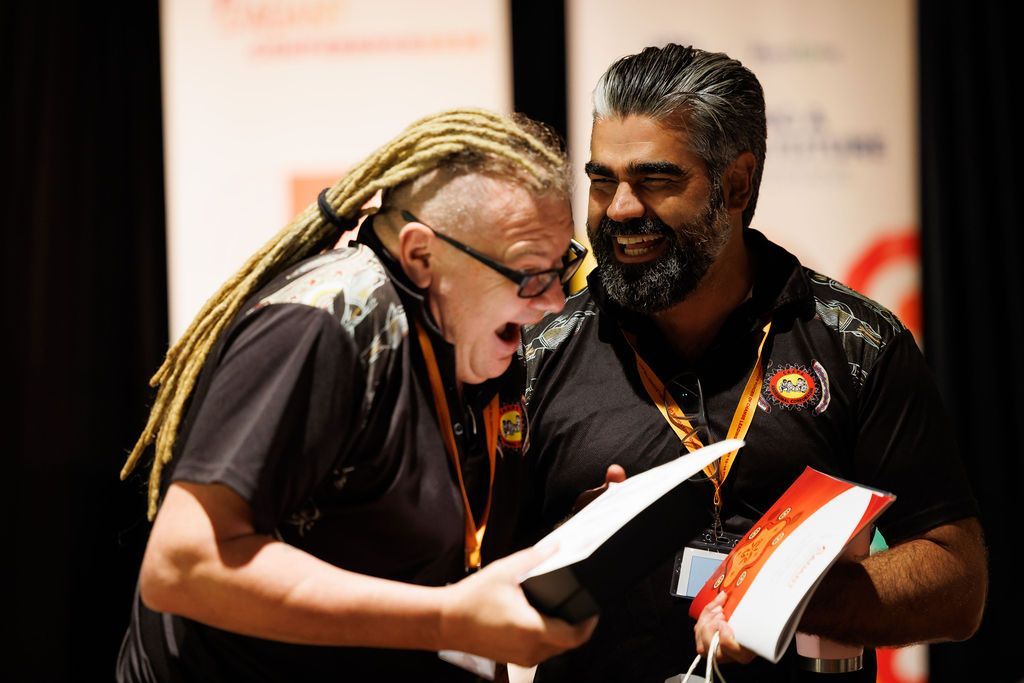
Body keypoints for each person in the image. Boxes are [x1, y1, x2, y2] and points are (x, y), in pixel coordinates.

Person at [517, 44, 987, 681]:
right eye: (603, 181)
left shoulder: (856, 346)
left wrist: (785, 600)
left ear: (736, 184)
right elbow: (471, 583)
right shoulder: (534, 355)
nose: (621, 208)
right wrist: (570, 554)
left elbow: (957, 582)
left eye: (655, 179)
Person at [115, 109, 597, 682]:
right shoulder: (321, 325)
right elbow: (181, 566)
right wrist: (444, 619)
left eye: (561, 265)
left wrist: (572, 530)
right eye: (527, 274)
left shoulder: (477, 344)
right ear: (422, 256)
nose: (552, 302)